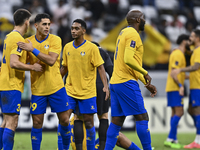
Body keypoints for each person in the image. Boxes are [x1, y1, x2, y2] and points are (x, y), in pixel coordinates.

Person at [17, 13, 72, 150]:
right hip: (38, 90)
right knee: (36, 123)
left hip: (56, 87)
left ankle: (64, 148)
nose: (47, 27)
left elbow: (51, 61)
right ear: (36, 25)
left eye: (49, 24)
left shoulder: (55, 39)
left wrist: (33, 50)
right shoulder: (28, 42)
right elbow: (20, 63)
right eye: (44, 24)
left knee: (65, 120)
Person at [104, 10, 157, 150]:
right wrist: (145, 73)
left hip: (115, 82)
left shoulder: (123, 33)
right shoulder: (134, 34)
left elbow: (126, 63)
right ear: (138, 20)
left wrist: (146, 83)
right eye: (144, 19)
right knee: (142, 117)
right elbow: (128, 59)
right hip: (125, 82)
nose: (145, 21)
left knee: (116, 122)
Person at [60, 19, 109, 150]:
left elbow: (101, 68)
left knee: (88, 122)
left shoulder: (92, 48)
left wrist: (105, 86)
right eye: (72, 28)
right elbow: (64, 68)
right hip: (70, 90)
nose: (73, 31)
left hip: (87, 91)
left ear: (84, 31)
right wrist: (57, 82)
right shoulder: (67, 47)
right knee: (64, 119)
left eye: (76, 28)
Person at [0, 9, 43, 150]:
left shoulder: (8, 37)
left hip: (5, 84)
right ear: (26, 22)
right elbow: (14, 63)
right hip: (12, 86)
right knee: (12, 122)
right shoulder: (18, 39)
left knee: (6, 122)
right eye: (29, 22)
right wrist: (33, 68)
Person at [171, 29, 200, 149]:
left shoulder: (198, 51)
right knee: (190, 110)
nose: (190, 39)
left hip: (198, 86)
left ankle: (198, 140)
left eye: (192, 37)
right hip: (194, 86)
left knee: (197, 111)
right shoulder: (195, 51)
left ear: (198, 37)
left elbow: (196, 67)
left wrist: (181, 70)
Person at [164, 34, 190, 149]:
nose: (191, 42)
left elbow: (179, 73)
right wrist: (180, 85)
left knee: (175, 112)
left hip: (171, 87)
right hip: (175, 87)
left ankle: (173, 140)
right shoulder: (178, 54)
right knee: (179, 112)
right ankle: (170, 138)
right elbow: (174, 73)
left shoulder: (177, 53)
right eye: (189, 40)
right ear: (184, 41)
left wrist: (190, 77)